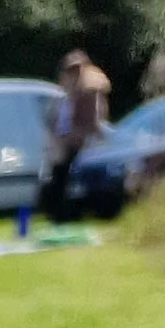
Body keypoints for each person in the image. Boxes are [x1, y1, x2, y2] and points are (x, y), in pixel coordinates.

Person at [52, 47, 112, 211]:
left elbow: (93, 120)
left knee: (70, 175)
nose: (73, 73)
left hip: (80, 141)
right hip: (67, 141)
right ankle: (60, 209)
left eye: (76, 69)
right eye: (70, 69)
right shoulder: (66, 94)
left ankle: (68, 209)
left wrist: (78, 135)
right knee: (61, 175)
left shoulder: (89, 92)